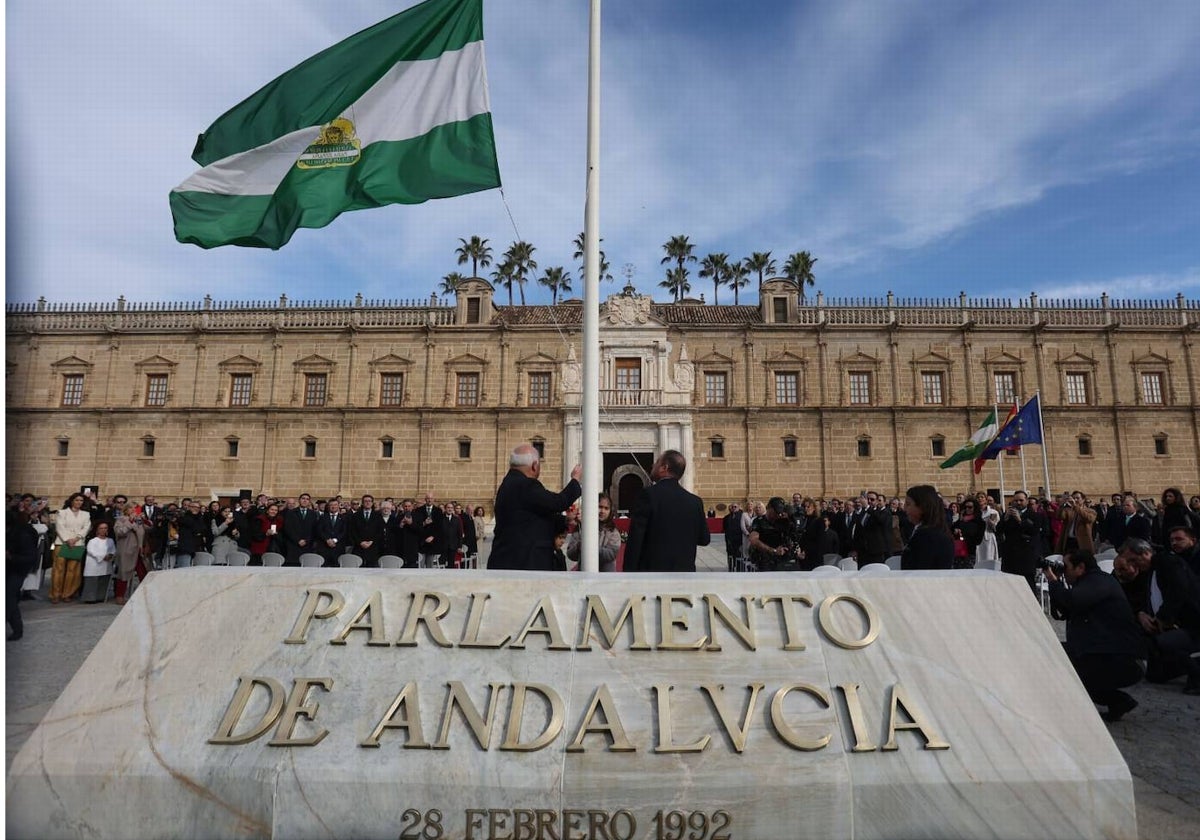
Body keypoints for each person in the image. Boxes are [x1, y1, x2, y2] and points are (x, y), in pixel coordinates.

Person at [1044, 549, 1147, 721]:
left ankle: (1113, 702)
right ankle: (1119, 702)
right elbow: (1066, 609)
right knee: (1056, 654)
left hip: (1124, 658)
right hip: (1107, 652)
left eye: (1066, 567)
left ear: (1080, 568)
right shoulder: (1090, 582)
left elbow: (1072, 602)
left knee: (1068, 667)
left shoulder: (1099, 581)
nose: (1063, 570)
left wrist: (1054, 582)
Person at [488, 445, 582, 571]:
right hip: (525, 563)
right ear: (534, 465)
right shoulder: (526, 485)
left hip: (506, 560)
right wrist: (575, 480)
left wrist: (565, 520)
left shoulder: (508, 483)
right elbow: (558, 502)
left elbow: (531, 517)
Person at [623, 450, 711, 573]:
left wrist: (628, 574)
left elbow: (636, 540)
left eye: (657, 462)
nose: (653, 466)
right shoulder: (695, 502)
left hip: (653, 575)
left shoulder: (648, 495)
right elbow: (704, 539)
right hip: (685, 575)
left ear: (664, 468)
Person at [900, 485, 955, 570]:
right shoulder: (929, 531)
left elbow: (920, 569)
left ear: (922, 507)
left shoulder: (927, 536)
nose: (905, 508)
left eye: (908, 504)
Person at [50, 493, 91, 603]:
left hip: (77, 544)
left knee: (73, 570)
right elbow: (59, 526)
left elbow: (86, 527)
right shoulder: (62, 513)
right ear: (72, 501)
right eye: (77, 500)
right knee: (59, 569)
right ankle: (55, 594)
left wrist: (77, 538)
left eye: (81, 500)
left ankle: (67, 593)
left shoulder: (86, 514)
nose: (79, 502)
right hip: (62, 543)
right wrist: (68, 539)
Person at [7, 506, 41, 640]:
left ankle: (17, 630)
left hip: (17, 570)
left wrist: (11, 557)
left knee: (8, 598)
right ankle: (17, 629)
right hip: (9, 568)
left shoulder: (23, 534)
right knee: (10, 600)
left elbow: (30, 557)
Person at [566, 493, 622, 572]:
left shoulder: (612, 531)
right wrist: (579, 546)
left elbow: (611, 554)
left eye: (606, 508)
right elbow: (570, 554)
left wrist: (590, 547)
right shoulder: (582, 527)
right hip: (584, 574)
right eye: (600, 507)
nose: (602, 511)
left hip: (606, 576)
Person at [112, 503, 148, 604]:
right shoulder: (120, 520)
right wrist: (130, 522)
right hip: (126, 550)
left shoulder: (139, 521)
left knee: (143, 572)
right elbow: (120, 532)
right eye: (131, 509)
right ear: (126, 510)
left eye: (135, 509)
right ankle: (120, 595)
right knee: (124, 572)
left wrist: (144, 520)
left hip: (138, 550)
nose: (133, 510)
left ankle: (145, 594)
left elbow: (147, 530)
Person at [82, 521, 117, 603]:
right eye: (101, 528)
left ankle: (101, 596)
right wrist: (102, 556)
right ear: (97, 530)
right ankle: (90, 598)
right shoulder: (93, 541)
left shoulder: (110, 540)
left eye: (105, 528)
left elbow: (114, 550)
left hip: (106, 564)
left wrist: (110, 555)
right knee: (92, 581)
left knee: (104, 580)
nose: (103, 530)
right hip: (94, 564)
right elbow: (91, 551)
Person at [282, 493, 319, 566]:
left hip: (307, 546)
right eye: (303, 498)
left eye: (307, 499)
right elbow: (288, 528)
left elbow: (314, 529)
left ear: (309, 502)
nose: (305, 501)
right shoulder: (291, 513)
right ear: (299, 500)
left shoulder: (313, 514)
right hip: (293, 545)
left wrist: (306, 540)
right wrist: (297, 540)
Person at [348, 494, 384, 568]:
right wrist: (360, 542)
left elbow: (380, 531)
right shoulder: (356, 515)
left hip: (373, 548)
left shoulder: (378, 516)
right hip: (359, 547)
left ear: (372, 503)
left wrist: (371, 541)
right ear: (362, 503)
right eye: (365, 501)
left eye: (369, 501)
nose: (367, 503)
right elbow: (352, 531)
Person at [415, 493, 445, 569]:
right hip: (421, 541)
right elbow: (416, 525)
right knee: (420, 565)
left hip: (432, 542)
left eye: (431, 498)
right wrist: (424, 523)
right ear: (425, 499)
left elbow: (440, 527)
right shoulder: (418, 510)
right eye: (428, 498)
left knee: (430, 566)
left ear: (433, 499)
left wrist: (433, 536)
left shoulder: (438, 511)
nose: (429, 500)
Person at [722, 503, 744, 571]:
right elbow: (725, 528)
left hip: (739, 540)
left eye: (735, 507)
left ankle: (738, 569)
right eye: (732, 507)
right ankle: (730, 568)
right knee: (730, 555)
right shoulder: (726, 517)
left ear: (738, 507)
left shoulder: (742, 516)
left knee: (738, 555)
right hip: (730, 540)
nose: (733, 508)